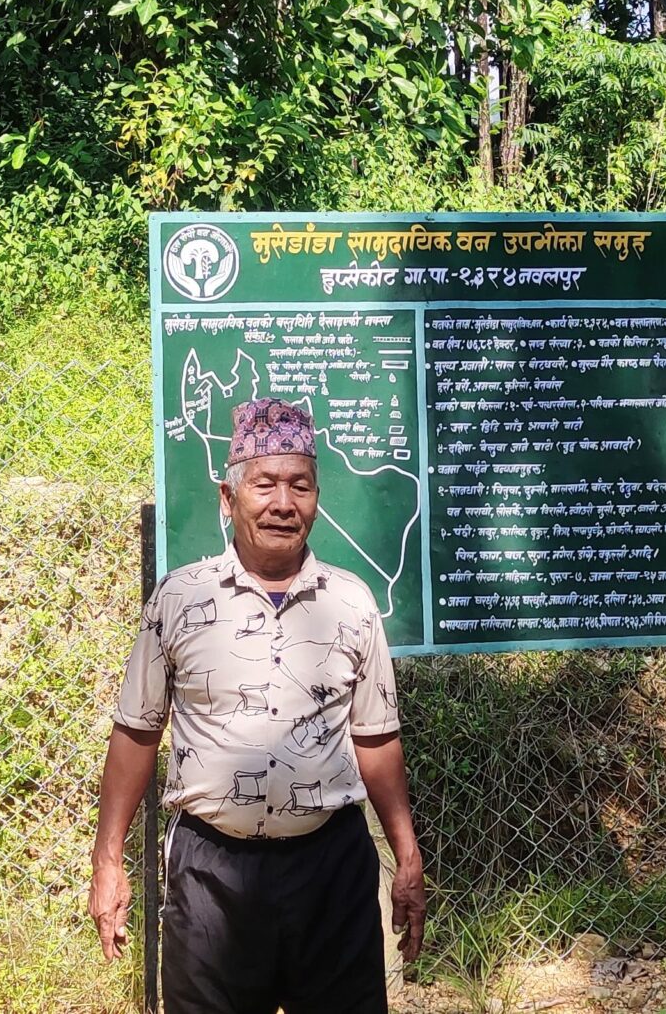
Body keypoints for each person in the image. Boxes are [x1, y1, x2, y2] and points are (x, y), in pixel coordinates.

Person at [90, 397, 426, 1014]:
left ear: (317, 498)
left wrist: (406, 853)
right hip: (210, 876)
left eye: (299, 486)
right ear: (228, 498)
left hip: (331, 871)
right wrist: (108, 859)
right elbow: (137, 730)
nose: (282, 503)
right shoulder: (179, 600)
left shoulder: (352, 603)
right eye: (264, 484)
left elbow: (376, 737)